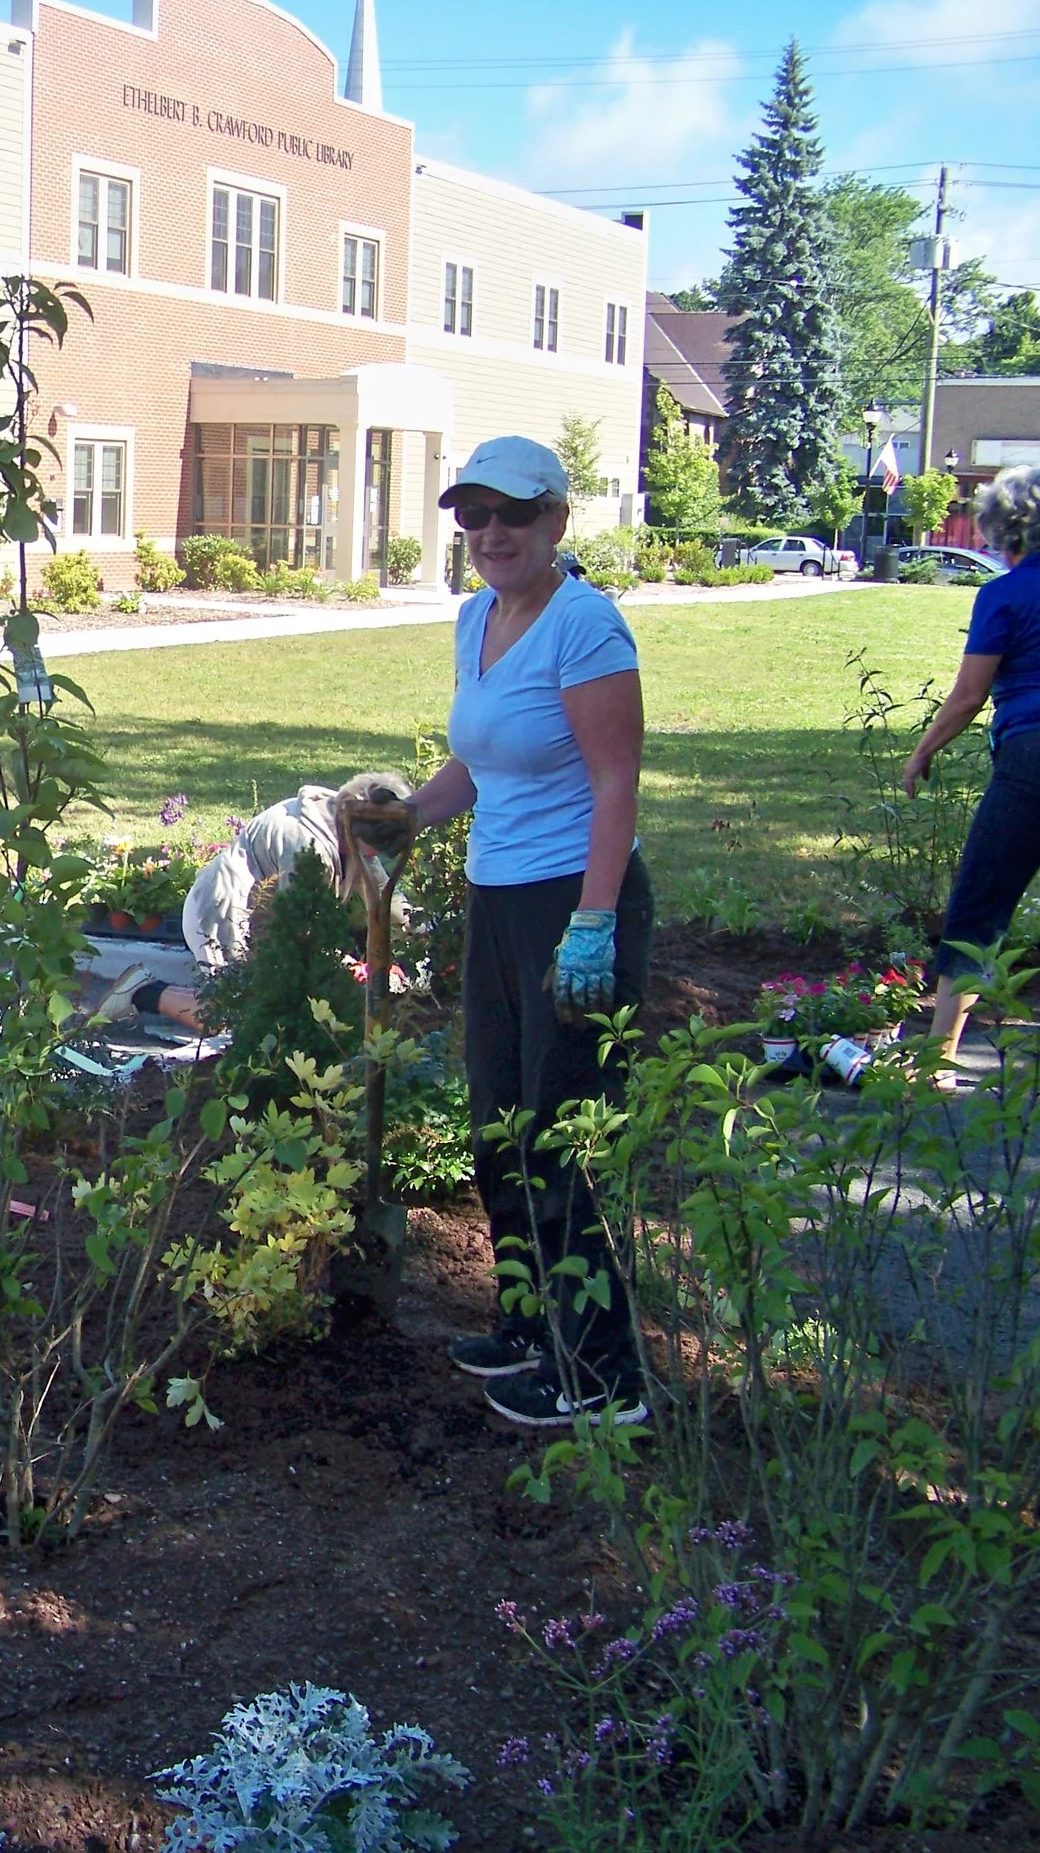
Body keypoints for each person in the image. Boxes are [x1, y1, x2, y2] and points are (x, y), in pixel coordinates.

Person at [387, 436, 653, 1428]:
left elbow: (614, 780)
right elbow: (482, 764)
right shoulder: (478, 618)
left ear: (556, 522)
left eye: (513, 514)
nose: (491, 533)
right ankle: (527, 1322)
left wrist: (592, 926)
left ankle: (603, 1374)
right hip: (496, 898)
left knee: (559, 1134)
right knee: (498, 1120)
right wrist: (406, 820)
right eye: (473, 516)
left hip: (574, 902)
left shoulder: (584, 626)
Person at [904, 466, 1040, 1082]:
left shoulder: (1004, 594)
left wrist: (923, 751)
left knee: (980, 905)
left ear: (1009, 533)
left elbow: (968, 694)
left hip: (1039, 756)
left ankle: (936, 1064)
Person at [93, 776, 406, 1031]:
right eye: (373, 849)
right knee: (245, 1021)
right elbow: (300, 930)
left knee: (259, 1008)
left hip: (260, 919)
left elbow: (381, 892)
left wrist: (417, 931)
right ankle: (143, 994)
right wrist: (350, 966)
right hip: (222, 915)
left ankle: (142, 985)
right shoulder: (304, 846)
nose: (375, 856)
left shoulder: (349, 819)